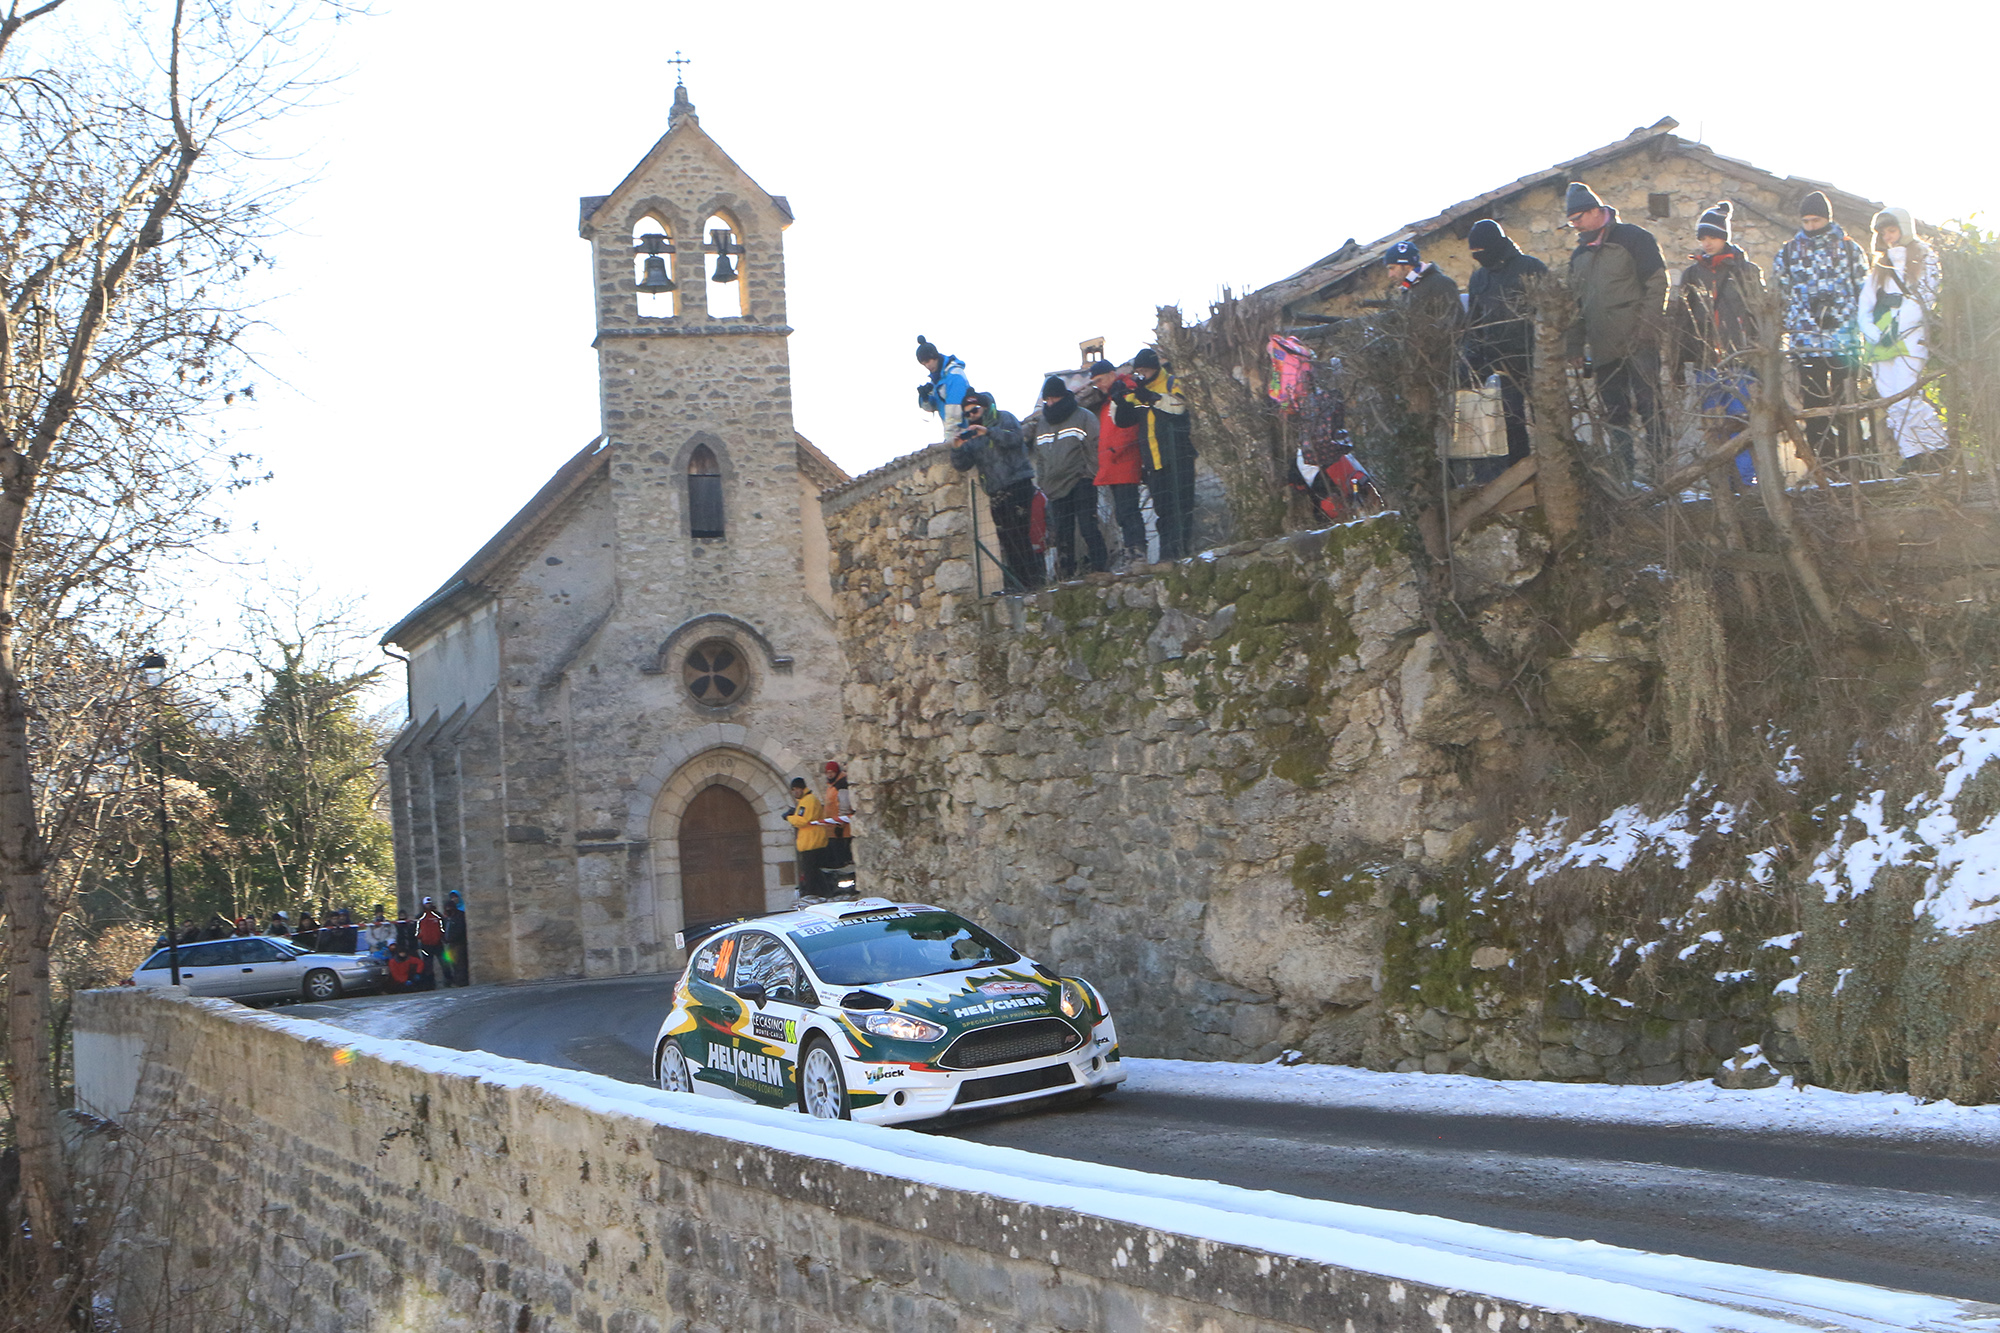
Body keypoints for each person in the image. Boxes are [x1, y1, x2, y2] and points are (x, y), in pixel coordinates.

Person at [1562, 181, 1668, 482]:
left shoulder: (1634, 238)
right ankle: (1624, 475)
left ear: (1596, 211)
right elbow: (1575, 304)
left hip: (1639, 341)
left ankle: (1662, 472)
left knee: (1650, 406)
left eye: (1578, 218)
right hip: (1603, 346)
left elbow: (1657, 284)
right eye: (1570, 221)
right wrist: (1574, 346)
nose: (1575, 225)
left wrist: (1646, 329)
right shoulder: (1578, 256)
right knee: (1614, 413)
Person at [1772, 190, 1867, 469]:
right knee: (1813, 406)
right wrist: (1798, 317)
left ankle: (1851, 464)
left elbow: (1864, 290)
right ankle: (1824, 466)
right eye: (1806, 221)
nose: (1811, 226)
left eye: (1816, 220)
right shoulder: (1789, 252)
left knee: (1846, 402)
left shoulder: (1850, 249)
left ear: (1828, 218)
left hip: (1844, 339)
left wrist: (1844, 315)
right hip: (1806, 340)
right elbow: (1779, 293)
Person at [1672, 202, 1764, 484]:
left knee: (1742, 424)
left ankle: (1746, 483)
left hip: (1741, 362)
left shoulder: (1746, 272)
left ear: (1724, 237)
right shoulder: (1691, 275)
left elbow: (1760, 316)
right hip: (1706, 363)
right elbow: (1681, 321)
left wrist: (1760, 357)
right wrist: (1678, 364)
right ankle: (1723, 485)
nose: (1706, 243)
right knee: (1714, 428)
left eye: (1712, 236)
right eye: (1702, 238)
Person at [1858, 206, 1946, 469]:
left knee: (1907, 395)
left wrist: (1898, 327)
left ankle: (1939, 448)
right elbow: (1865, 304)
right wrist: (1872, 331)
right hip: (1880, 339)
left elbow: (1925, 298)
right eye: (1883, 233)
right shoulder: (1880, 266)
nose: (1888, 237)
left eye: (1892, 230)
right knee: (1890, 399)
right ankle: (1912, 454)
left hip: (1910, 335)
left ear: (1904, 229)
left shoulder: (1925, 257)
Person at [1465, 219, 1548, 475]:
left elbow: (1551, 310)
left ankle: (1554, 474)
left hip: (1534, 359)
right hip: (1500, 366)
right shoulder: (1479, 278)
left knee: (1547, 420)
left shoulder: (1530, 267)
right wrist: (1475, 357)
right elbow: (1474, 323)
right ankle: (1522, 478)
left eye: (1481, 250)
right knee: (1512, 423)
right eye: (1473, 252)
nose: (1478, 256)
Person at [948, 389, 1040, 591]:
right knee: (1005, 538)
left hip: (1018, 484)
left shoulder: (1004, 418)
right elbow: (963, 465)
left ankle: (1032, 582)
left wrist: (988, 432)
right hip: (995, 491)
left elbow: (1016, 438)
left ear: (985, 407)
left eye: (975, 410)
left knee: (1019, 534)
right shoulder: (971, 434)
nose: (972, 415)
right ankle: (1017, 584)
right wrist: (957, 447)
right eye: (967, 413)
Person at [1113, 349, 1197, 562]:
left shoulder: (1171, 382)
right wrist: (1119, 401)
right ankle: (1167, 556)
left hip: (1178, 456)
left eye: (1145, 370)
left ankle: (1181, 553)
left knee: (1182, 507)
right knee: (1163, 511)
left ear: (1154, 368)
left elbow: (1179, 407)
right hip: (1153, 462)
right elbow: (1122, 420)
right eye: (1138, 372)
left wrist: (1153, 398)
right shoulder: (1138, 390)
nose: (1142, 375)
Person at [1026, 376, 1106, 579]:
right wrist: (1043, 482)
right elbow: (1040, 456)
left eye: (1053, 398)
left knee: (1088, 526)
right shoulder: (1042, 424)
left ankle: (1100, 568)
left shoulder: (1083, 416)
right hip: (1054, 487)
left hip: (1081, 480)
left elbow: (1095, 446)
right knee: (1063, 534)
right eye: (1047, 400)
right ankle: (1066, 576)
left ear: (1062, 396)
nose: (1050, 403)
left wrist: (1091, 473)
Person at [915, 335, 970, 446]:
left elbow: (954, 410)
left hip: (964, 431)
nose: (927, 366)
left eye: (928, 361)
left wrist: (949, 441)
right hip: (953, 433)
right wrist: (925, 398)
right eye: (924, 364)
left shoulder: (954, 375)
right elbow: (932, 407)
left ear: (934, 356)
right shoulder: (936, 380)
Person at [785, 777, 832, 898]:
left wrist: (789, 817)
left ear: (802, 788)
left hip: (812, 841)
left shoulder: (808, 800)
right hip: (810, 841)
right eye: (793, 790)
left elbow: (803, 820)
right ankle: (821, 893)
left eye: (797, 789)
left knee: (810, 871)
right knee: (813, 870)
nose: (795, 792)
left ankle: (813, 893)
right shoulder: (805, 801)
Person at [415, 896, 446, 990]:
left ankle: (448, 980)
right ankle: (430, 984)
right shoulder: (419, 917)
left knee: (444, 962)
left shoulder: (438, 915)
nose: (428, 905)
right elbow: (416, 931)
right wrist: (420, 937)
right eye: (426, 904)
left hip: (438, 944)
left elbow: (443, 928)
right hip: (426, 945)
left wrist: (441, 936)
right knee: (428, 965)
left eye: (429, 903)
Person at [442, 890, 469, 987]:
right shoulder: (447, 918)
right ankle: (456, 980)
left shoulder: (460, 915)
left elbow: (460, 929)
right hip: (450, 944)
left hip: (459, 943)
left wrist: (452, 938)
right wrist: (444, 938)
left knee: (460, 963)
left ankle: (462, 981)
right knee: (453, 962)